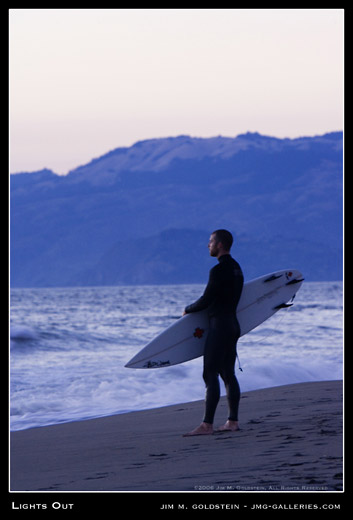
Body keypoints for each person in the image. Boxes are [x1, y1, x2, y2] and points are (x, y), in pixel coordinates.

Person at [182, 229, 244, 436]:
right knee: (228, 374)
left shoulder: (217, 271)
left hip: (219, 326)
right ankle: (232, 421)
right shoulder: (237, 268)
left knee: (209, 373)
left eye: (210, 242)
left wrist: (187, 309)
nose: (207, 245)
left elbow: (206, 300)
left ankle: (207, 425)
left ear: (219, 245)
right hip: (233, 325)